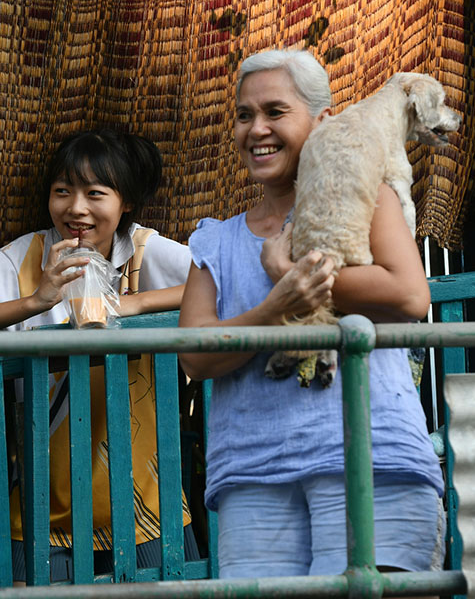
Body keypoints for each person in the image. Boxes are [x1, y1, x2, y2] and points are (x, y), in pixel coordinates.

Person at [177, 49, 444, 584]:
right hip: (254, 475)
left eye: (275, 112)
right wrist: (276, 309)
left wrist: (289, 272)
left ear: (323, 121)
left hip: (372, 458)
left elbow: (410, 295)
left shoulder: (369, 198)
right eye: (244, 115)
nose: (257, 129)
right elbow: (194, 356)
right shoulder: (216, 241)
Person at [0, 128, 198, 581]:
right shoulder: (26, 256)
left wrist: (135, 303)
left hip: (147, 503)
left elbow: (222, 281)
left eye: (95, 193)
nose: (76, 208)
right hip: (40, 507)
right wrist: (35, 300)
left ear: (126, 202)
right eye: (62, 191)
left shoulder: (140, 252)